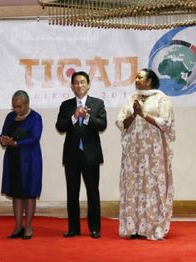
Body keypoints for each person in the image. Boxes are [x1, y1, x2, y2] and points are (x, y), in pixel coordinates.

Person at [115, 68, 175, 240]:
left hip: (153, 154)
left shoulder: (161, 99)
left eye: (140, 77)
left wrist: (145, 115)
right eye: (136, 77)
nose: (136, 79)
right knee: (132, 186)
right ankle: (133, 228)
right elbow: (120, 123)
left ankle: (153, 228)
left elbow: (167, 123)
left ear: (150, 81)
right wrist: (134, 114)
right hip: (133, 153)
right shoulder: (131, 99)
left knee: (153, 186)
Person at [55, 71, 107, 239]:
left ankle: (94, 228)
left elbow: (102, 125)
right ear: (72, 86)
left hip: (91, 155)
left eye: (82, 82)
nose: (79, 85)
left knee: (93, 192)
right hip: (71, 155)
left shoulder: (97, 103)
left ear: (88, 84)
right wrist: (74, 116)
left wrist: (87, 117)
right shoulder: (66, 105)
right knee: (72, 192)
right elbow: (60, 127)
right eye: (76, 83)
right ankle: (73, 229)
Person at [0, 90, 42, 240]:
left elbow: (35, 138)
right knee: (16, 193)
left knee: (29, 193)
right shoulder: (10, 117)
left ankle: (28, 226)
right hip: (13, 158)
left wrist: (16, 143)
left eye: (19, 107)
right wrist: (3, 139)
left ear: (27, 104)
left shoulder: (35, 117)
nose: (16, 110)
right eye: (14, 107)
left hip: (29, 159)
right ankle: (18, 226)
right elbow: (4, 132)